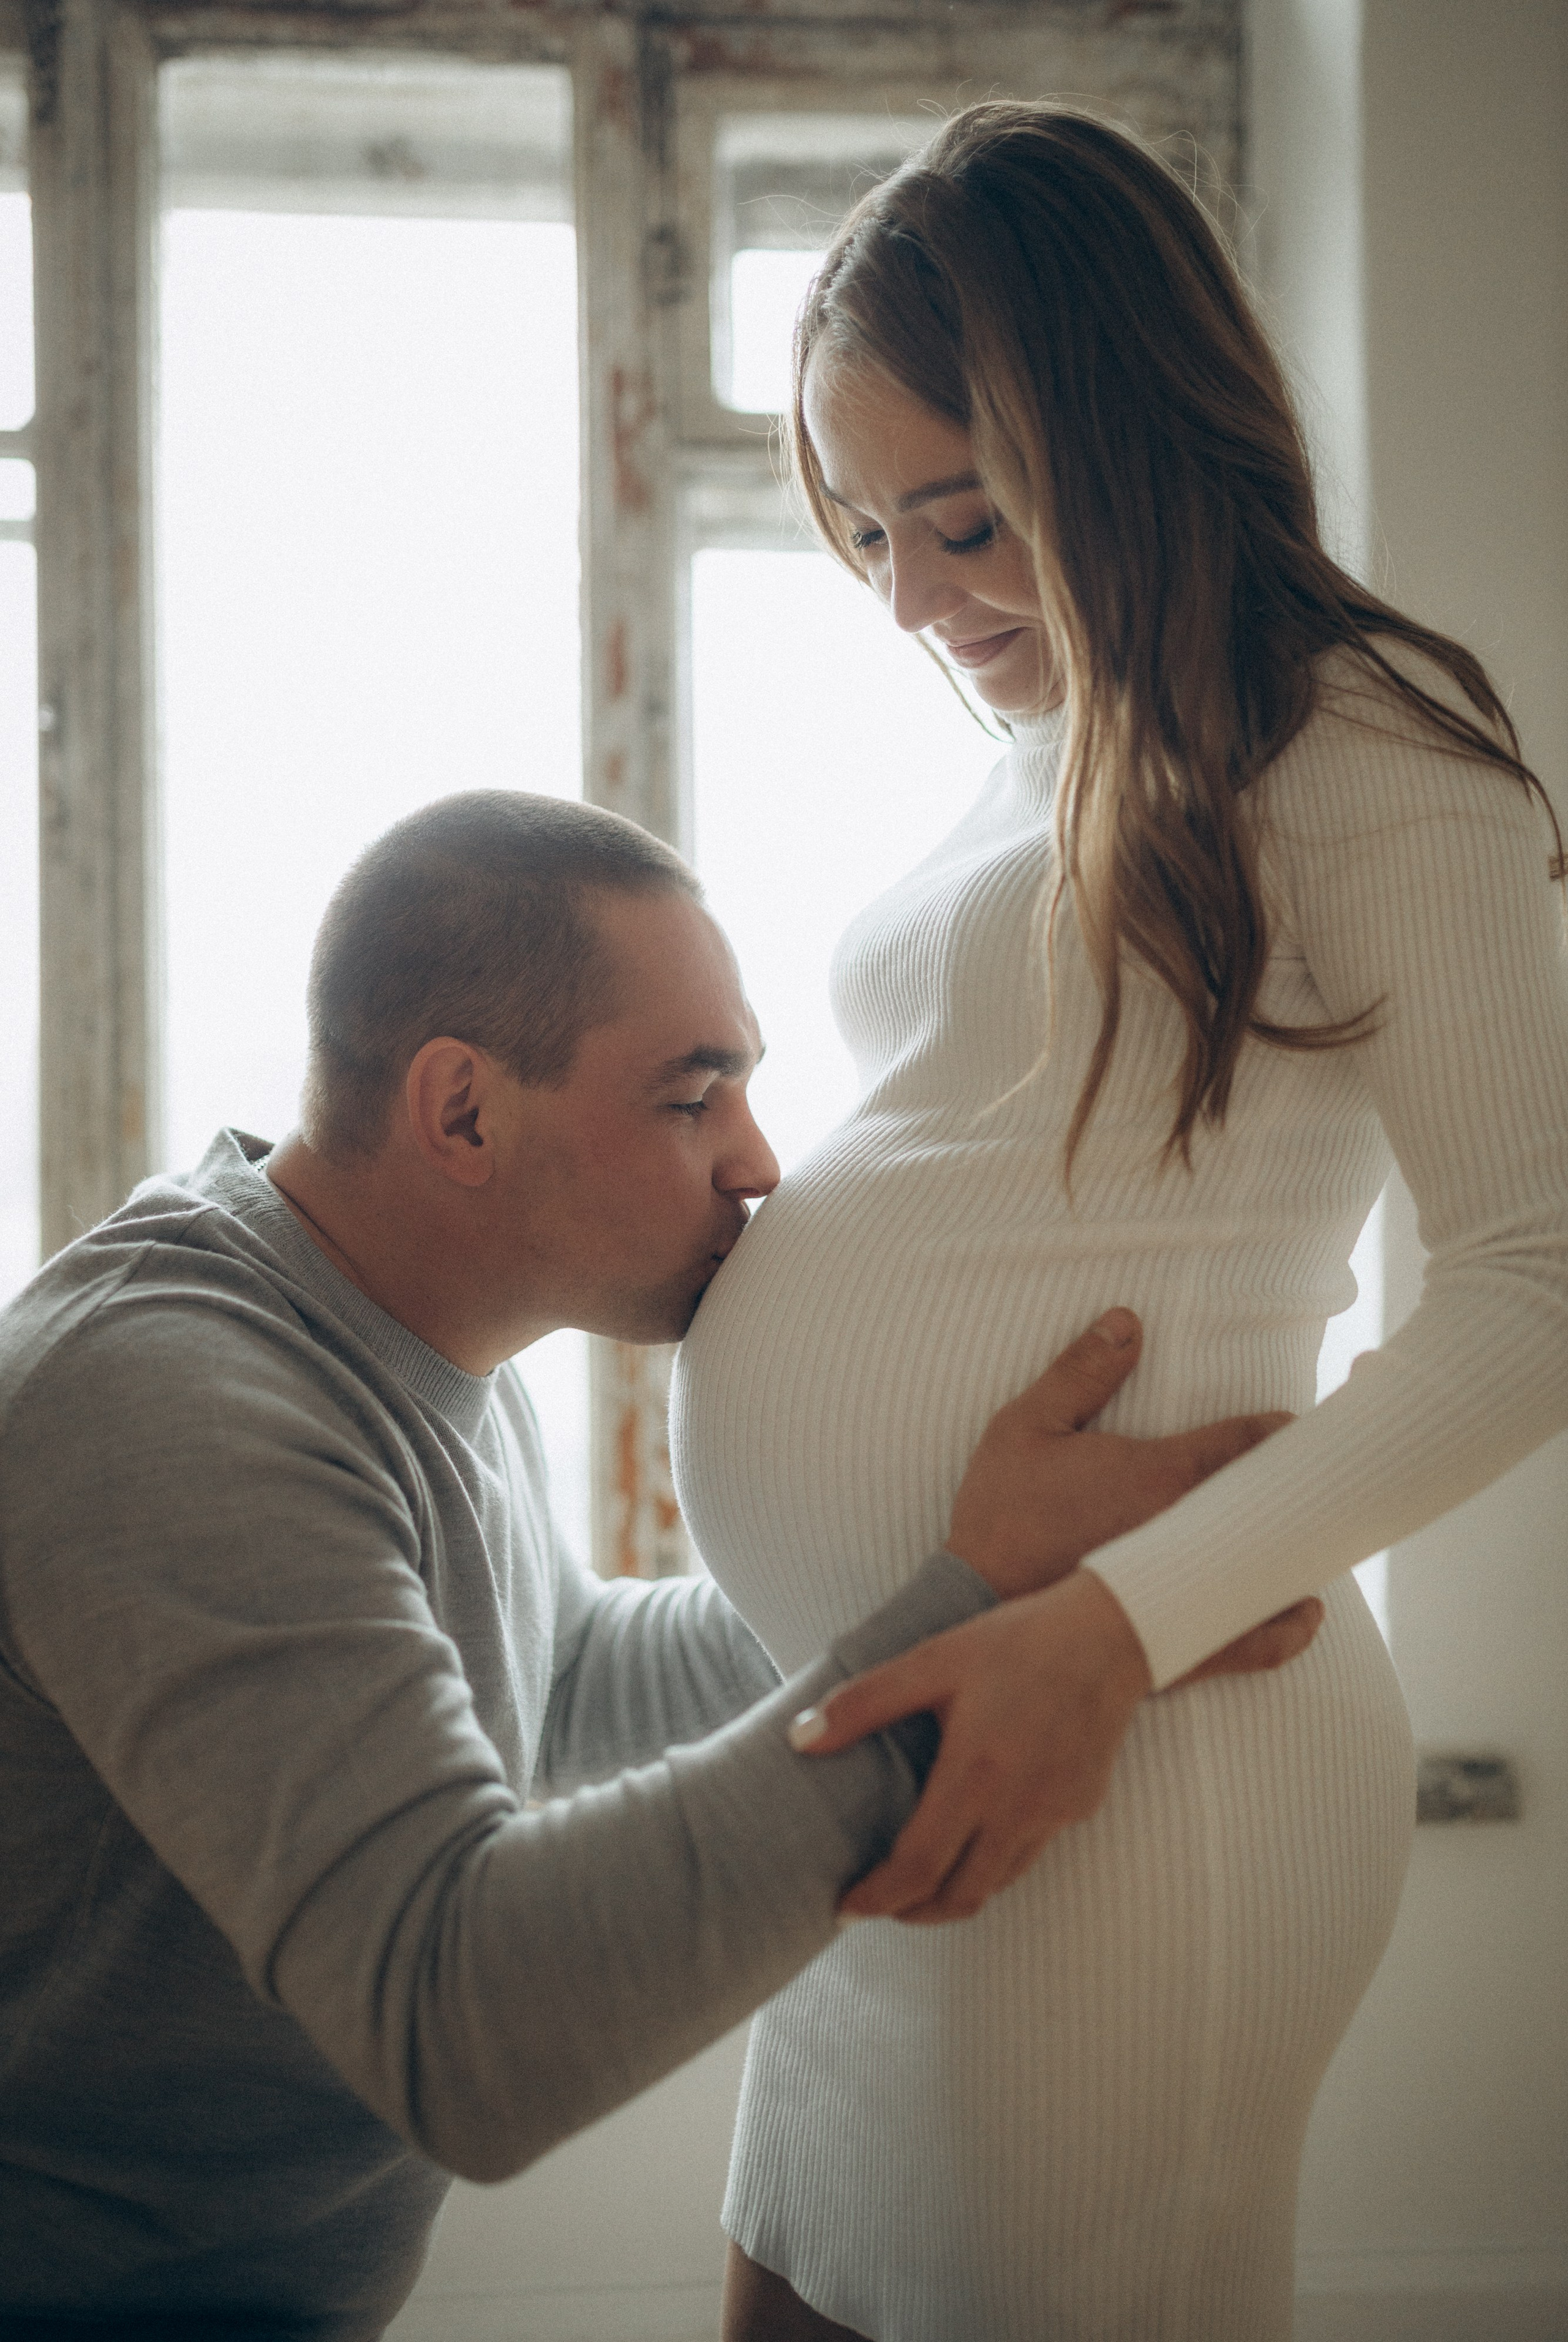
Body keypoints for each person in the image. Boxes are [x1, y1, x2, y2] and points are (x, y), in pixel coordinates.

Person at [0, 790, 1317, 2340]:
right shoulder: (168, 1402)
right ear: (464, 1112)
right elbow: (457, 2023)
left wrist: (976, 1566)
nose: (756, 1163)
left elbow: (556, 1680)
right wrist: (967, 1642)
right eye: (693, 1099)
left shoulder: (402, 1351)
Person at [668, 102, 1568, 2341]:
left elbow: (1542, 1281)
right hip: (917, 1708)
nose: (907, 595)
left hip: (1131, 1765)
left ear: (1123, 431)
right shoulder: (1054, 744)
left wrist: (1115, 1629)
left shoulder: (1361, 742)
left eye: (961, 518)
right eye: (863, 530)